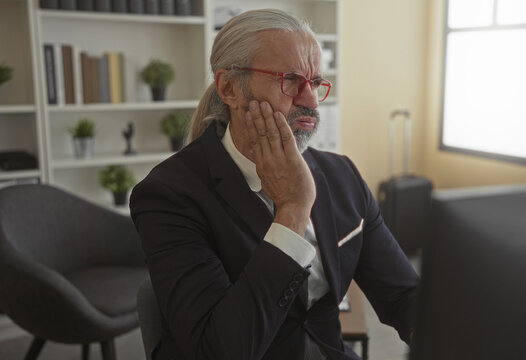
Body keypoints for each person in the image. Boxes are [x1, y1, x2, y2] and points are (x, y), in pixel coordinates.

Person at [130, 9, 419, 360]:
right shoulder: (168, 195)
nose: (311, 101)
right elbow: (218, 351)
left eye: (315, 83)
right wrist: (293, 210)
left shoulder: (343, 177)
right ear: (229, 88)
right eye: (291, 80)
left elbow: (404, 296)